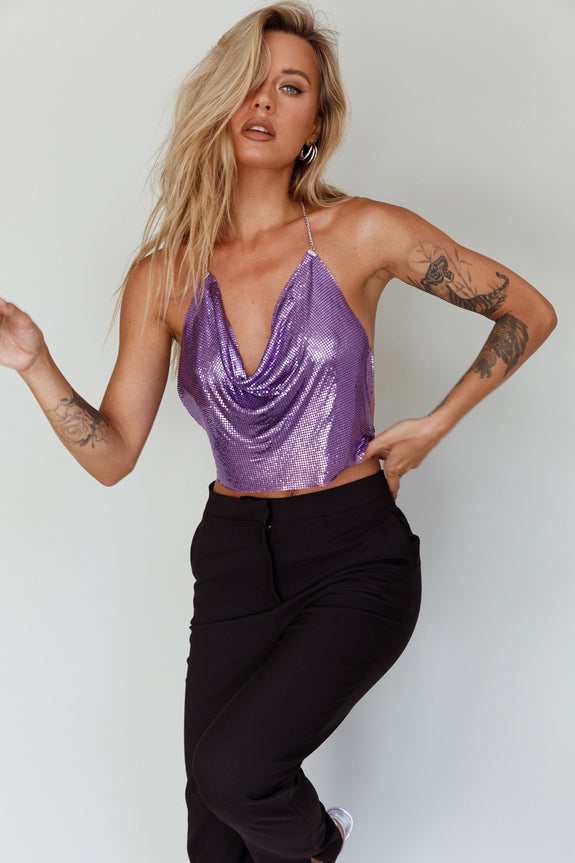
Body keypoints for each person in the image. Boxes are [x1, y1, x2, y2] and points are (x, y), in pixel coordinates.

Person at [0, 2, 557, 862]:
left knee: (235, 774)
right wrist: (34, 363)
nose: (262, 101)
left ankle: (320, 841)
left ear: (315, 124)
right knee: (212, 835)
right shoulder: (165, 274)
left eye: (290, 87)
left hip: (352, 551)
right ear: (220, 102)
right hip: (231, 555)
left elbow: (528, 310)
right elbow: (113, 455)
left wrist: (434, 425)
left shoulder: (361, 232)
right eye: (247, 83)